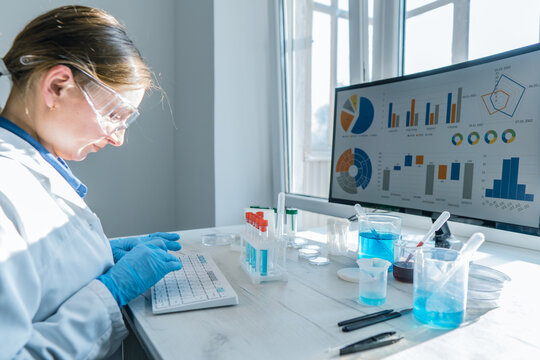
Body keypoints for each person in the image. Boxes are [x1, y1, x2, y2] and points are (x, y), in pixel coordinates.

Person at [0, 6, 182, 359]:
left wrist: (97, 258)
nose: (118, 139)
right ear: (57, 86)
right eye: (114, 115)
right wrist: (110, 292)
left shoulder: (34, 167)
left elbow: (40, 280)